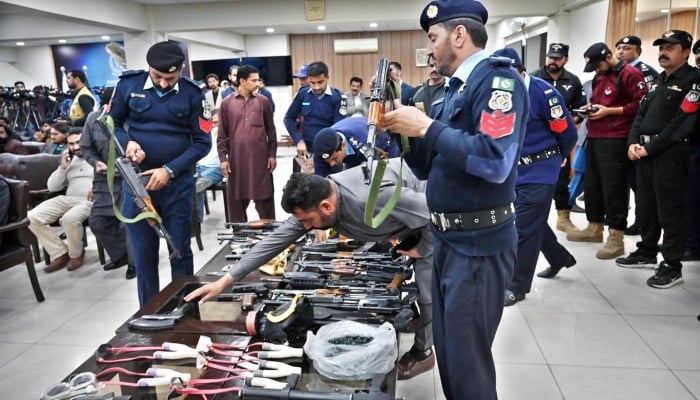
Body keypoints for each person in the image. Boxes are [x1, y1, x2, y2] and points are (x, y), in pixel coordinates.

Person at [382, 1, 528, 398]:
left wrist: (427, 125)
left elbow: (494, 160)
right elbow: (429, 165)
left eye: (433, 38)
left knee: (468, 367)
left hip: (478, 245)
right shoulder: (455, 89)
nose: (429, 49)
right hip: (447, 240)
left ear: (458, 35)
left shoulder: (498, 82)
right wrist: (400, 128)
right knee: (449, 357)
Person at [184, 159, 435, 381]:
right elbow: (276, 239)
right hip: (406, 223)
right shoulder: (323, 197)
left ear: (326, 207)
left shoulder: (371, 198)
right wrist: (225, 281)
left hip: (435, 227)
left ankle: (423, 353)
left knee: (428, 296)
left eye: (307, 220)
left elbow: (435, 214)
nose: (304, 226)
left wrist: (423, 248)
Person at [109, 40, 211, 306]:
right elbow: (114, 123)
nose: (164, 83)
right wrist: (128, 143)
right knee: (144, 257)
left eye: (171, 78)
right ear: (149, 69)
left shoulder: (194, 93)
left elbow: (203, 142)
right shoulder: (128, 85)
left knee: (180, 252)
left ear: (182, 70)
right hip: (138, 185)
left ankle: (185, 309)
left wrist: (170, 170)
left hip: (177, 186)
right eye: (158, 77)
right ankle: (149, 313)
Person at [492, 48, 577, 304]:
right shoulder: (501, 92)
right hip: (515, 170)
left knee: (523, 228)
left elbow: (567, 131)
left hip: (542, 168)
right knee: (529, 220)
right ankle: (559, 257)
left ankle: (517, 286)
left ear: (520, 71)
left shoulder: (544, 93)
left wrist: (561, 156)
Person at [616, 30, 699, 289]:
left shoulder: (693, 81)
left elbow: (681, 123)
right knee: (646, 206)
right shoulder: (658, 80)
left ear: (686, 52)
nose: (664, 52)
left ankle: (672, 266)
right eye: (662, 47)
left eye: (671, 48)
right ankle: (646, 251)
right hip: (645, 154)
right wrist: (632, 142)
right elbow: (640, 116)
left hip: (670, 156)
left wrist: (650, 149)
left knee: (670, 211)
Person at [566, 42, 647, 260]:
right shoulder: (599, 76)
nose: (595, 69)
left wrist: (610, 111)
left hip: (617, 139)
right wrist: (588, 109)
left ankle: (616, 237)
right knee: (593, 185)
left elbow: (641, 105)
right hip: (595, 136)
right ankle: (594, 227)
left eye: (597, 65)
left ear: (609, 56)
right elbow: (599, 102)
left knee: (614, 188)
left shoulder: (630, 74)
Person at [79, 87, 135, 280]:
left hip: (131, 176)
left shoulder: (134, 118)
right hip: (104, 178)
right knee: (97, 221)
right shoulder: (93, 119)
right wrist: (96, 163)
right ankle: (120, 255)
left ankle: (135, 263)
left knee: (128, 222)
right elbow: (86, 148)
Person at [531, 42, 588, 232]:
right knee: (535, 181)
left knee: (562, 180)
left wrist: (572, 120)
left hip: (562, 137)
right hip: (537, 138)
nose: (552, 61)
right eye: (550, 57)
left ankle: (563, 218)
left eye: (557, 58)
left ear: (565, 59)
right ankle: (536, 219)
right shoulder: (534, 78)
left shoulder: (573, 80)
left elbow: (581, 108)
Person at [28, 129, 94, 272]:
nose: (76, 147)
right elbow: (52, 187)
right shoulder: (70, 161)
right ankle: (60, 253)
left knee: (69, 219)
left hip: (89, 201)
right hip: (66, 198)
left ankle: (76, 254)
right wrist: (63, 168)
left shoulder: (99, 156)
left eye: (79, 142)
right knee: (31, 217)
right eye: (71, 144)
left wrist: (99, 186)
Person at [218, 64, 277, 223]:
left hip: (260, 160)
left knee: (265, 197)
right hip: (237, 160)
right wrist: (223, 159)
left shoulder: (263, 102)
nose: (258, 83)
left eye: (258, 80)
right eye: (254, 80)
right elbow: (222, 134)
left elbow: (271, 131)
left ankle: (271, 236)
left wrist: (272, 155)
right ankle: (238, 237)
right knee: (236, 198)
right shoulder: (227, 103)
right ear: (242, 81)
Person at [615, 35, 660, 236]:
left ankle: (643, 221)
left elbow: (647, 106)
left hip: (639, 133)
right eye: (619, 48)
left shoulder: (646, 72)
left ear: (637, 52)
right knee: (622, 180)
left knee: (639, 183)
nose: (621, 52)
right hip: (620, 132)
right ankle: (622, 217)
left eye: (626, 48)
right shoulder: (615, 71)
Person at [283, 61, 347, 166]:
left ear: (327, 78)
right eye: (312, 83)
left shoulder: (338, 97)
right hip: (307, 150)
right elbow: (288, 118)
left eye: (320, 82)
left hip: (329, 152)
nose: (317, 87)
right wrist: (298, 140)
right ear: (308, 79)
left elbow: (339, 128)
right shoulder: (303, 94)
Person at [312, 116, 393, 177]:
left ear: (343, 145)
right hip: (352, 155)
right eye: (328, 160)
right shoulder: (321, 150)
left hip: (384, 146)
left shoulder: (363, 141)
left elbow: (376, 171)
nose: (332, 164)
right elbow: (322, 181)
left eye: (334, 158)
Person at [685, 40, 700, 262]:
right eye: (698, 53)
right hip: (693, 145)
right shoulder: (694, 81)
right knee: (692, 196)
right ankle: (692, 243)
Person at [194, 113, 224, 223]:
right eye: (212, 122)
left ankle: (196, 222)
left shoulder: (228, 134)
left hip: (217, 168)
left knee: (198, 184)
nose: (214, 125)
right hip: (200, 166)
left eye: (217, 123)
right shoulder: (205, 134)